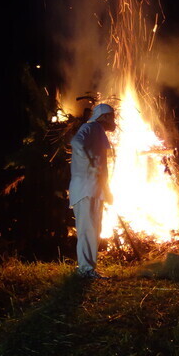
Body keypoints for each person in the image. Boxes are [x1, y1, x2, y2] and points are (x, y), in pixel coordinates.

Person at [68, 102, 116, 279]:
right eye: (111, 116)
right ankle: (85, 270)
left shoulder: (98, 131)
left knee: (93, 230)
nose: (114, 119)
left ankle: (88, 268)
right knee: (88, 230)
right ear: (103, 116)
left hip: (94, 189)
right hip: (86, 189)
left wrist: (107, 190)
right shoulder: (91, 127)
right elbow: (76, 142)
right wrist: (90, 162)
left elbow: (101, 168)